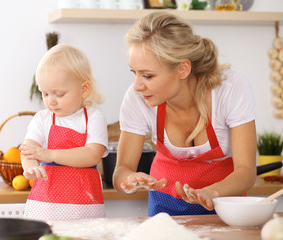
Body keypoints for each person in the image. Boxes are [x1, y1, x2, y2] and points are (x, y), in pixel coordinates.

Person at [113, 11, 257, 216]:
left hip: (221, 202)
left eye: (147, 75)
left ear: (182, 69)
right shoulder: (137, 98)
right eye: (133, 72)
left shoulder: (230, 88)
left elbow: (246, 172)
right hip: (163, 204)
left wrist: (211, 192)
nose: (137, 86)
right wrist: (129, 180)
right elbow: (122, 171)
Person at [20, 43, 108, 221]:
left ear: (84, 89)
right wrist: (30, 168)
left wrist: (50, 154)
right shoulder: (42, 119)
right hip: (46, 205)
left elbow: (92, 155)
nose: (50, 102)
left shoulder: (93, 118)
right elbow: (28, 149)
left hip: (84, 205)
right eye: (45, 94)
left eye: (58, 94)